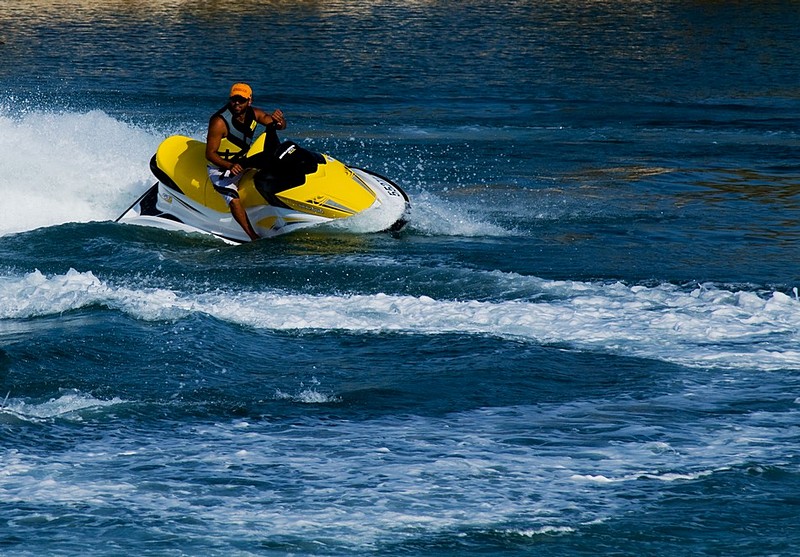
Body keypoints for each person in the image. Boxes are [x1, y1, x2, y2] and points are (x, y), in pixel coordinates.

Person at [205, 83, 286, 240]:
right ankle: (252, 236)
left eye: (241, 100)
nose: (236, 103)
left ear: (249, 101)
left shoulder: (254, 113)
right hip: (221, 169)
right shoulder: (219, 122)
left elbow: (275, 124)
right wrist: (230, 166)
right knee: (234, 199)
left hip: (243, 162)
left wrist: (280, 122)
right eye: (234, 99)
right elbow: (210, 154)